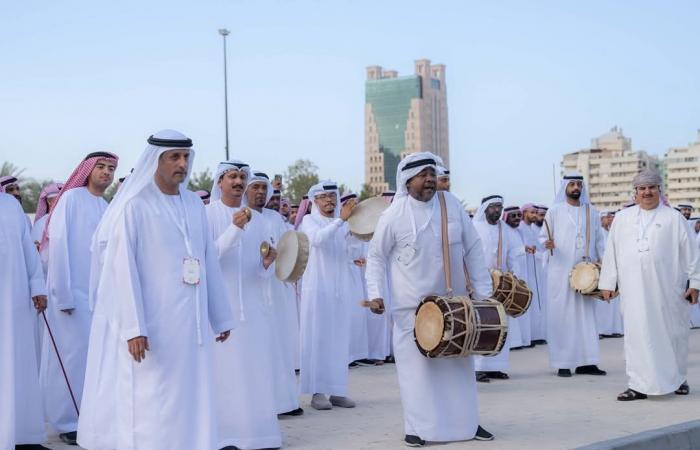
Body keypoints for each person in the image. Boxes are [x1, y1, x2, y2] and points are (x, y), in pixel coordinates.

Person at [77, 130, 235, 450]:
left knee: (192, 394)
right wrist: (134, 328)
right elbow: (122, 270)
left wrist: (220, 316)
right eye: (174, 157)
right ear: (156, 161)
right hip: (153, 324)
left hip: (190, 325)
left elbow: (207, 261)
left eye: (186, 157)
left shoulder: (192, 203)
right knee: (153, 398)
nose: (182, 163)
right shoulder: (135, 206)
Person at [365, 152, 494, 447]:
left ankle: (467, 424)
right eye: (422, 175)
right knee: (417, 373)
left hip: (454, 305)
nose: (429, 179)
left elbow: (473, 248)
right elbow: (375, 257)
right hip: (412, 310)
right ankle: (417, 428)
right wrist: (375, 294)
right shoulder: (393, 215)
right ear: (406, 181)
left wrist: (483, 295)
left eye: (431, 173)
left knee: (458, 368)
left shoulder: (451, 205)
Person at [599, 170, 700, 400]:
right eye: (642, 188)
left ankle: (678, 378)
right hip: (633, 289)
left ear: (659, 191)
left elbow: (692, 253)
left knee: (673, 334)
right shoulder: (622, 219)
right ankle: (638, 384)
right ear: (635, 192)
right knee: (637, 336)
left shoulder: (674, 218)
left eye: (652, 187)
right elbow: (611, 252)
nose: (647, 192)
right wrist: (608, 282)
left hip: (668, 289)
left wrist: (695, 283)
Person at [40, 151, 118, 445]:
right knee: (71, 361)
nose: (106, 173)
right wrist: (62, 294)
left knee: (92, 360)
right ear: (87, 170)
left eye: (111, 168)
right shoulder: (71, 199)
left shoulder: (106, 205)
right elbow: (57, 243)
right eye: (101, 166)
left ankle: (89, 419)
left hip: (98, 298)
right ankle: (67, 421)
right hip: (70, 295)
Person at [206, 164, 283, 449]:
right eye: (233, 177)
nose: (239, 182)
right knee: (225, 374)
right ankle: (226, 437)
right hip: (222, 308)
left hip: (253, 308)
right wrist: (235, 229)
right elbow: (208, 257)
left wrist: (266, 264)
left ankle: (261, 436)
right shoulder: (208, 215)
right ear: (220, 182)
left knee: (255, 371)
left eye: (242, 178)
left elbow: (260, 271)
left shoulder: (260, 221)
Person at [539, 173, 607, 378]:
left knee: (586, 317)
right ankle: (563, 362)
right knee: (563, 316)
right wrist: (547, 245)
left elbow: (599, 240)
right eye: (572, 184)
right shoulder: (555, 211)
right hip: (560, 271)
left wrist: (603, 262)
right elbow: (543, 238)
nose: (576, 187)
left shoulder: (591, 212)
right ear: (565, 187)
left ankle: (588, 362)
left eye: (579, 184)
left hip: (585, 271)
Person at [299, 181, 357, 410]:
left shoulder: (342, 224)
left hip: (339, 289)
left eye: (332, 196)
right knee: (318, 339)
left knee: (339, 339)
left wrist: (353, 229)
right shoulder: (308, 221)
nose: (329, 201)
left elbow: (351, 251)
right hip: (317, 290)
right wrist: (341, 220)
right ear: (315, 201)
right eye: (323, 197)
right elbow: (318, 240)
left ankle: (338, 390)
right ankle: (317, 392)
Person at [0, 193, 51, 450]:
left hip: (14, 302)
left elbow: (28, 253)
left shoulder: (11, 206)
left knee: (17, 365)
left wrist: (37, 287)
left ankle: (22, 434)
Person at [472, 197, 523, 381]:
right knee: (482, 323)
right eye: (494, 206)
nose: (497, 210)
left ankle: (496, 366)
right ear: (485, 208)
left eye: (500, 207)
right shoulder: (474, 227)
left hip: (501, 282)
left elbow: (512, 255)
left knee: (502, 323)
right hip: (479, 282)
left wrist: (514, 277)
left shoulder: (505, 230)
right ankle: (478, 367)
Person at [341, 191, 370, 366]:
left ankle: (356, 353)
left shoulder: (359, 223)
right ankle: (347, 354)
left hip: (357, 272)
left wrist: (362, 257)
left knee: (359, 313)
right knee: (349, 313)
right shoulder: (341, 224)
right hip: (345, 271)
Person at [520, 203, 546, 344]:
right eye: (532, 212)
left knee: (537, 303)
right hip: (525, 271)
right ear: (524, 213)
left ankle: (537, 335)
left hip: (536, 271)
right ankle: (530, 337)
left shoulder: (532, 229)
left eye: (536, 212)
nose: (535, 215)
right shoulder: (520, 229)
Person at [595, 211, 623, 338]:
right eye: (608, 217)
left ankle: (613, 329)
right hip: (601, 270)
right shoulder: (598, 232)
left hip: (613, 269)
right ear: (601, 219)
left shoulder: (610, 232)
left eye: (612, 217)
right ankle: (601, 330)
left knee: (613, 301)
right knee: (602, 302)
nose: (611, 219)